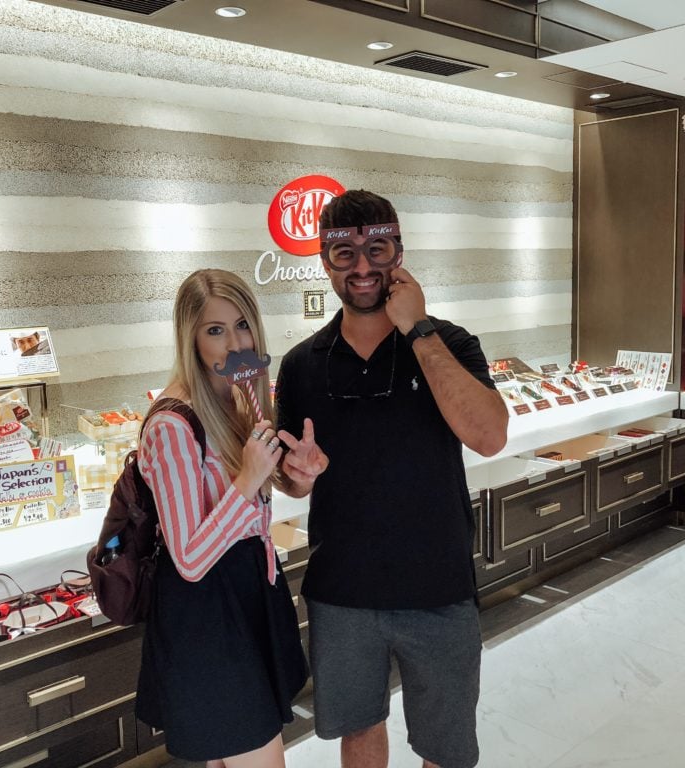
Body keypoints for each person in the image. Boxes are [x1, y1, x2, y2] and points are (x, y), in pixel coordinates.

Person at [275, 190, 508, 768]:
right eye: (344, 254)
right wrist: (296, 479)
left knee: (446, 746)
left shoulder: (448, 343)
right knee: (359, 732)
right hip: (343, 590)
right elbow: (292, 479)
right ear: (324, 263)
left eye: (376, 249)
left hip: (439, 585)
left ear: (398, 251)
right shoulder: (303, 363)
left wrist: (418, 330)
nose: (361, 268)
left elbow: (489, 435)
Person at [135, 269, 324, 768]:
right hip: (207, 622)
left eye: (242, 325)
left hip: (248, 598)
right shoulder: (172, 425)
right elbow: (190, 558)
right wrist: (248, 480)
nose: (234, 342)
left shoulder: (237, 397)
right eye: (214, 330)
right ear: (190, 337)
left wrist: (299, 476)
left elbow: (263, 494)